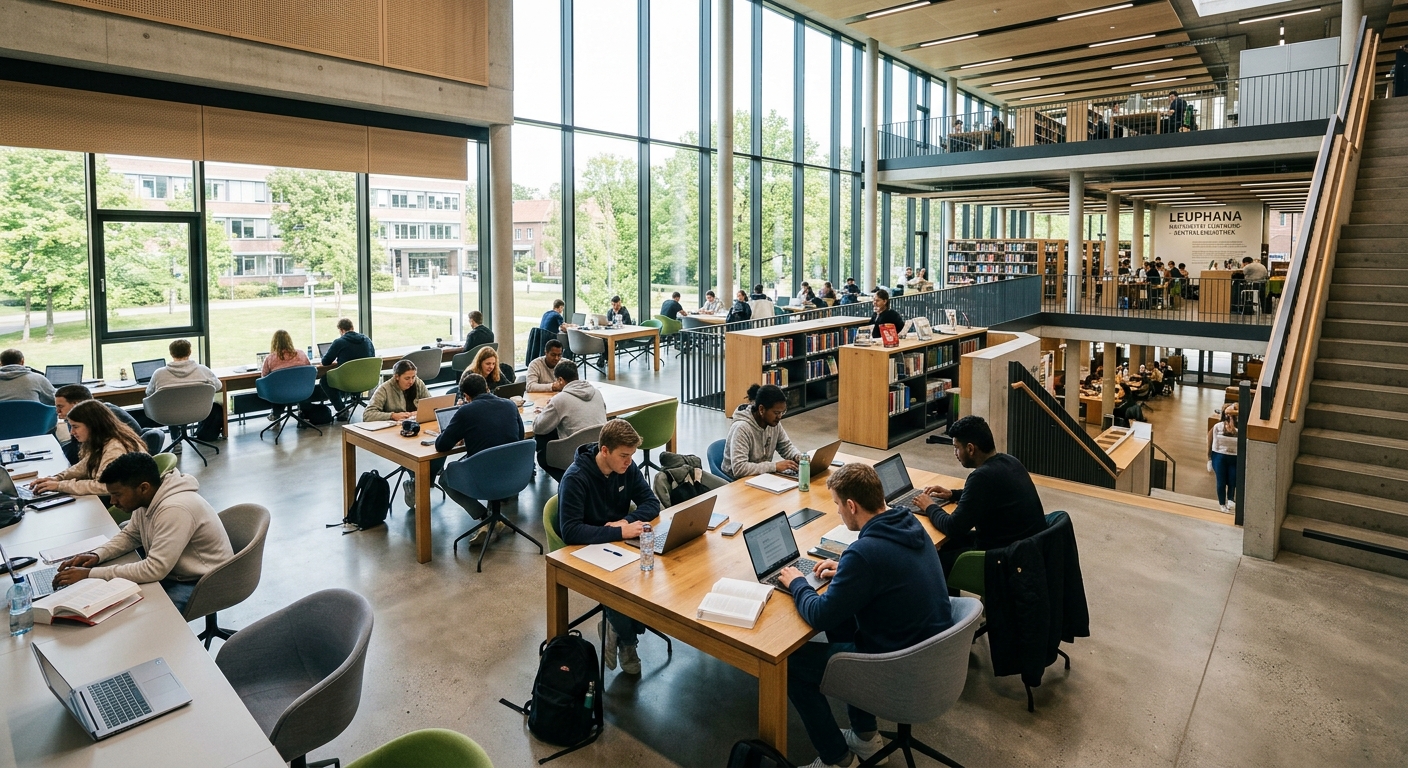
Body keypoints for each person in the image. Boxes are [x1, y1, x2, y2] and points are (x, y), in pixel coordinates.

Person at [781, 463, 954, 768]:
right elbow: (886, 569)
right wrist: (847, 572)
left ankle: (837, 760)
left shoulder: (864, 552)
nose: (837, 511)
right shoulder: (909, 523)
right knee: (843, 622)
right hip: (930, 653)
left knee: (789, 665)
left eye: (837, 504)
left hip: (897, 665)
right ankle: (865, 736)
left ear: (852, 505)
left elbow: (819, 615)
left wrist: (797, 583)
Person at [52, 452, 233, 613]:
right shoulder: (147, 499)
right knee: (120, 603)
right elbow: (131, 535)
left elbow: (154, 570)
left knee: (145, 617)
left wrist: (89, 574)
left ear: (143, 488)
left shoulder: (175, 509)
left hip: (204, 581)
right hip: (175, 571)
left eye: (117, 494)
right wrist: (97, 555)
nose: (112, 501)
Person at [557, 419, 661, 675]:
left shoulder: (627, 468)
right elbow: (570, 531)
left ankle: (613, 627)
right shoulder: (575, 478)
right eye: (624, 456)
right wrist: (618, 531)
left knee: (652, 576)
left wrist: (626, 521)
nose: (629, 462)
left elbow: (651, 503)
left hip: (618, 543)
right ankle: (628, 642)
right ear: (604, 451)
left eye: (632, 455)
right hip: (584, 549)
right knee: (619, 585)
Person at [912, 415, 1046, 574]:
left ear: (970, 449)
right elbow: (987, 495)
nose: (955, 453)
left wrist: (929, 506)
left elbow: (953, 527)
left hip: (1002, 561)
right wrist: (953, 494)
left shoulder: (981, 477)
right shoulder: (1010, 461)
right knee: (946, 545)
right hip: (1025, 550)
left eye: (956, 447)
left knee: (929, 560)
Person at [435, 373, 525, 541]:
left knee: (445, 479)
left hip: (483, 476)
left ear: (466, 396)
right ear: (487, 388)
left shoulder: (465, 411)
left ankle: (485, 517)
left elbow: (442, 445)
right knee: (492, 457)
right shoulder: (510, 405)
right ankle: (493, 518)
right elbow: (520, 437)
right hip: (515, 473)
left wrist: (461, 433)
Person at [32, 400, 148, 498]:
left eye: (75, 427)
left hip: (125, 502)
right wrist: (57, 478)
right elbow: (85, 465)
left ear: (93, 425)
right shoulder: (103, 440)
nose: (72, 432)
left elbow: (105, 486)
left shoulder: (115, 448)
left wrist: (60, 486)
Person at [531, 360, 607, 475]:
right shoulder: (597, 393)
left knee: (542, 437)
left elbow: (538, 428)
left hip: (573, 455)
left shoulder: (560, 399)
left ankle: (567, 479)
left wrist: (544, 412)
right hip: (599, 450)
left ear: (560, 380)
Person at [146, 339, 225, 445]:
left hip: (169, 414)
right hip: (198, 412)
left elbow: (149, 393)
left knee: (172, 404)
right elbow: (219, 386)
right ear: (189, 352)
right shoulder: (203, 371)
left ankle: (176, 440)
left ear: (171, 353)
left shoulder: (159, 374)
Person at [54, 384, 160, 462]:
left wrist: (65, 440)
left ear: (76, 404)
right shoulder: (86, 416)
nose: (57, 411)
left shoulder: (99, 419)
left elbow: (79, 458)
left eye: (60, 406)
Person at [723, 383, 803, 478]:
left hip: (759, 477)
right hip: (735, 481)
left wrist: (798, 456)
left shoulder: (773, 423)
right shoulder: (741, 428)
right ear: (761, 409)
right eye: (776, 412)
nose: (780, 417)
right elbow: (739, 468)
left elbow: (786, 447)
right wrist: (774, 466)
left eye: (782, 412)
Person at [321, 318, 376, 419]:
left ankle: (341, 410)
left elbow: (325, 362)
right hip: (366, 380)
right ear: (352, 327)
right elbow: (372, 357)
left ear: (341, 330)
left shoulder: (339, 342)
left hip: (347, 381)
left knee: (325, 380)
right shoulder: (367, 340)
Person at [261, 330, 312, 420]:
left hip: (279, 393)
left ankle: (276, 413)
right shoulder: (301, 354)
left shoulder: (270, 358)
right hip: (301, 391)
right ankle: (303, 412)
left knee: (277, 385)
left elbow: (264, 377)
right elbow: (310, 370)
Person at [365, 359, 429, 422]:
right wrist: (392, 416)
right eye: (407, 378)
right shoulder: (385, 389)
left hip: (417, 422)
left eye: (413, 377)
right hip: (395, 425)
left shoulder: (418, 383)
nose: (411, 381)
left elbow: (431, 405)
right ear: (397, 377)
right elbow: (368, 415)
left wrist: (419, 412)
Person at [1209, 405, 1238, 514]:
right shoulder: (1218, 426)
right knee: (1221, 481)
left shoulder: (1238, 428)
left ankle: (1230, 499)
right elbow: (1212, 442)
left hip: (1234, 456)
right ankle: (1222, 503)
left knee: (1232, 480)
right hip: (1219, 455)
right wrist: (1210, 458)